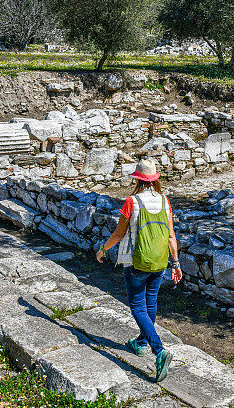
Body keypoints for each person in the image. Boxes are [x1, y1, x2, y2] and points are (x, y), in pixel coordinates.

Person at [96, 158, 182, 383]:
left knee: (137, 306)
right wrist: (176, 263)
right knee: (150, 302)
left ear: (138, 179)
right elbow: (171, 236)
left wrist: (102, 250)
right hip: (159, 262)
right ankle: (141, 343)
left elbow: (118, 234)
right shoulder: (165, 201)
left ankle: (159, 349)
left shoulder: (131, 202)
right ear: (154, 180)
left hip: (136, 263)